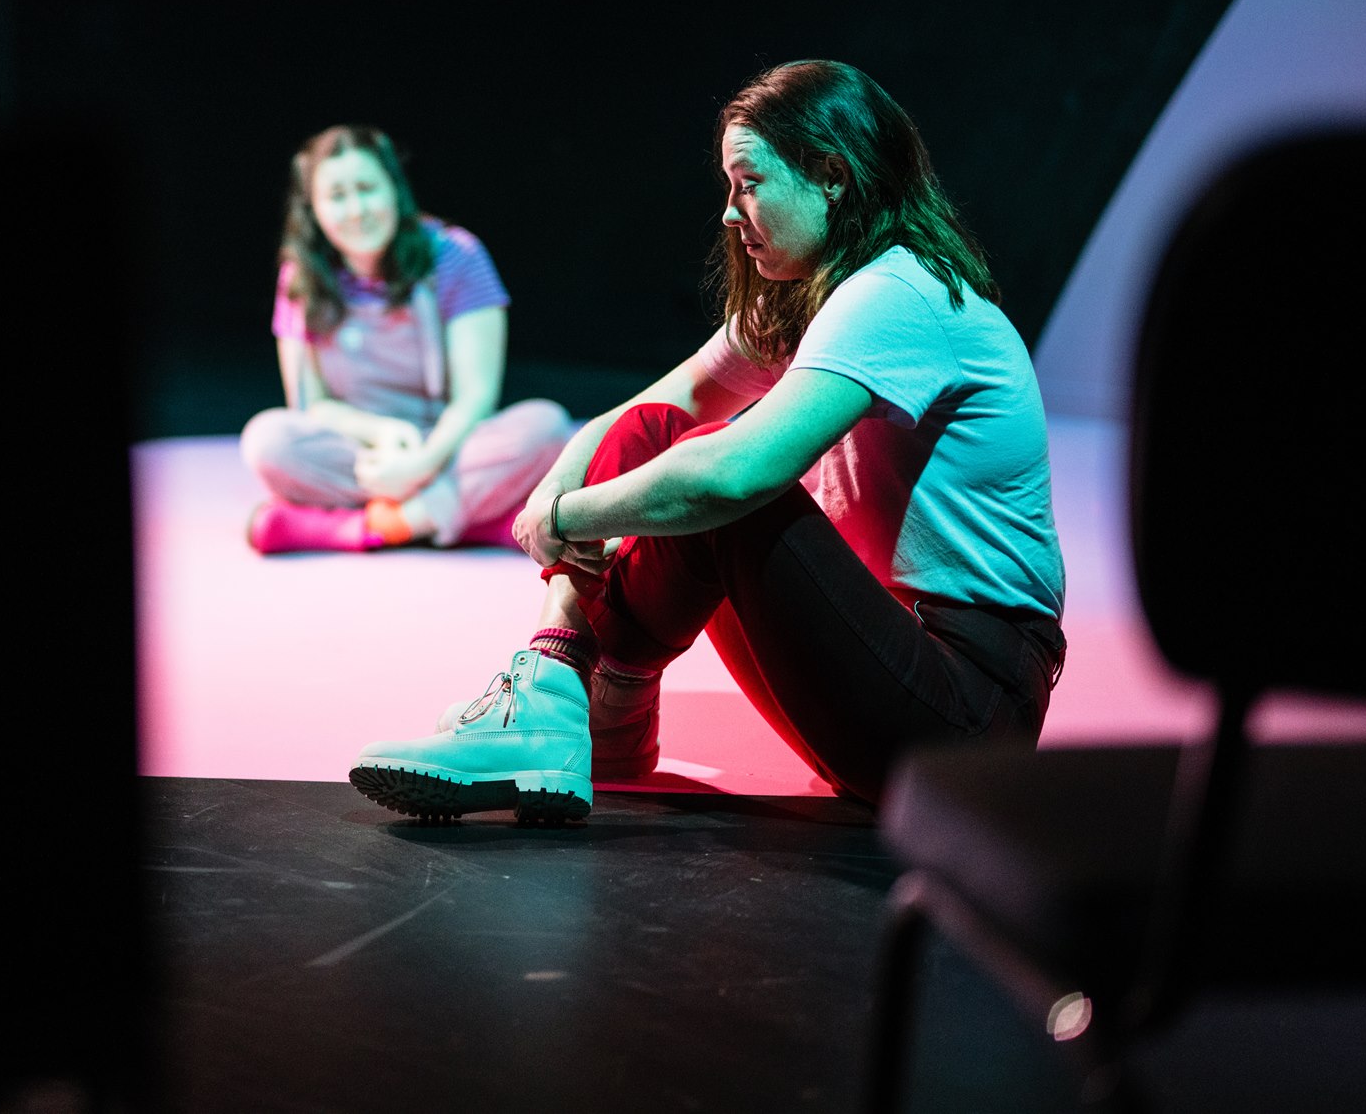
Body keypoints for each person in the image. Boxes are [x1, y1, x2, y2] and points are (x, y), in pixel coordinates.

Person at [349, 61, 1067, 822]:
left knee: (728, 479)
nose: (729, 212)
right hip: (885, 672)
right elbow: (653, 410)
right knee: (661, 433)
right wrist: (558, 486)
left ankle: (559, 698)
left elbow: (732, 476)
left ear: (831, 176)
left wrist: (563, 519)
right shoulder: (812, 300)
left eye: (748, 183)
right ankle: (583, 706)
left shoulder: (898, 292)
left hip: (964, 718)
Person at [241, 124, 576, 554]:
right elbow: (311, 405)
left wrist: (423, 463)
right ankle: (477, 519)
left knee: (546, 427)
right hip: (365, 455)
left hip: (451, 446)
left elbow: (475, 397)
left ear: (394, 190)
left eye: (367, 189)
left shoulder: (455, 255)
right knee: (268, 442)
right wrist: (382, 434)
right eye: (337, 196)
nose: (356, 210)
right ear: (314, 209)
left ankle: (373, 526)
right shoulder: (300, 277)